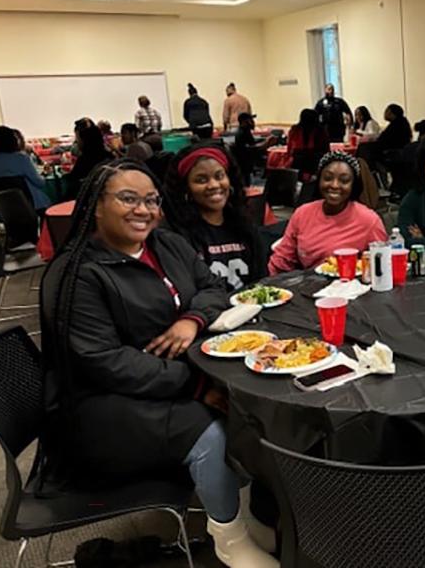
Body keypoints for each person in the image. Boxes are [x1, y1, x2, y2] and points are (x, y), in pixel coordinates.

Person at [39, 159, 278, 568]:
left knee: (248, 409)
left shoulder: (167, 244)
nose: (143, 210)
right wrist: (197, 385)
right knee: (213, 429)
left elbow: (212, 287)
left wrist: (192, 319)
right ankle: (229, 535)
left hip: (169, 380)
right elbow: (106, 363)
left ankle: (240, 512)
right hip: (102, 407)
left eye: (151, 200)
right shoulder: (77, 274)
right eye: (128, 199)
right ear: (96, 205)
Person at [165, 143, 264, 291]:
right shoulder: (176, 235)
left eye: (219, 176)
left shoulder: (245, 227)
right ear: (186, 188)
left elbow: (261, 281)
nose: (213, 185)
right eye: (201, 180)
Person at [268, 151, 387, 274]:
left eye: (344, 181)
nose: (335, 185)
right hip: (307, 286)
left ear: (353, 185)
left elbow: (383, 266)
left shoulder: (369, 220)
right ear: (319, 180)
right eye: (328, 178)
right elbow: (282, 259)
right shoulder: (303, 213)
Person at [0, 125, 51, 210]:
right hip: (27, 206)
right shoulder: (21, 158)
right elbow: (40, 183)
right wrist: (45, 174)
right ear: (13, 141)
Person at [66, 124, 115, 200]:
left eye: (78, 139)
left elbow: (73, 179)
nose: (77, 142)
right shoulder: (109, 156)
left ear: (84, 140)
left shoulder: (84, 159)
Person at [286, 108, 330, 180]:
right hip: (314, 164)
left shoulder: (295, 130)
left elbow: (290, 148)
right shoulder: (320, 131)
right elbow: (326, 151)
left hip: (298, 163)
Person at [233, 112, 276, 184]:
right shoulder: (241, 133)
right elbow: (251, 149)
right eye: (250, 120)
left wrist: (264, 141)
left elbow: (252, 143)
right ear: (244, 122)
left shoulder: (246, 131)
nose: (253, 122)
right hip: (243, 164)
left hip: (248, 164)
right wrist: (266, 143)